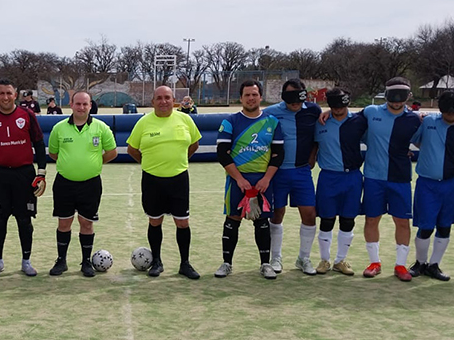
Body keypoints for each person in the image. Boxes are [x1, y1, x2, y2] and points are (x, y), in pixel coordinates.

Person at [127, 85, 201, 279]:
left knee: (182, 222)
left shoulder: (185, 119)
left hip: (179, 179)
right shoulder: (144, 122)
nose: (163, 101)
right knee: (155, 221)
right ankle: (157, 262)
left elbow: (194, 144)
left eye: (167, 97)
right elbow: (132, 149)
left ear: (173, 101)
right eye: (159, 98)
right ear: (153, 102)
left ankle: (185, 263)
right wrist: (149, 163)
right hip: (152, 180)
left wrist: (179, 161)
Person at [215, 80, 284, 279]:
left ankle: (265, 264)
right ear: (241, 98)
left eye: (254, 94)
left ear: (260, 97)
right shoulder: (231, 121)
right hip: (237, 180)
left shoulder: (272, 122)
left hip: (262, 181)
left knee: (262, 221)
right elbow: (222, 154)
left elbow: (278, 154)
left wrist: (267, 179)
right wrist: (238, 179)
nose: (251, 98)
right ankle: (227, 263)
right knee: (232, 219)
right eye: (247, 95)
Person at [408, 91, 454, 281]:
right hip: (427, 183)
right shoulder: (428, 121)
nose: (451, 116)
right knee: (426, 226)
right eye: (447, 112)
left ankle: (434, 265)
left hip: (453, 183)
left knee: (445, 225)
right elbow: (414, 139)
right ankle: (420, 263)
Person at [47, 91, 117, 276]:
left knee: (86, 223)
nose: (81, 107)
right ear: (71, 104)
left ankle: (86, 262)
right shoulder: (59, 128)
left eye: (85, 104)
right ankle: (61, 261)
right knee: (64, 223)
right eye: (78, 104)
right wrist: (69, 164)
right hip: (64, 184)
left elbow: (112, 152)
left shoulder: (101, 127)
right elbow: (53, 153)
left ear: (90, 105)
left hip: (90, 184)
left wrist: (94, 164)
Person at [358, 77, 421, 280]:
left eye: (401, 96)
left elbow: (423, 143)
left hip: (400, 177)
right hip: (373, 177)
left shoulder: (414, 119)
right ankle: (374, 262)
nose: (396, 101)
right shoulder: (371, 112)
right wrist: (325, 113)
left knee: (402, 221)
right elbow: (345, 119)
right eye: (393, 96)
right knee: (371, 219)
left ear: (408, 96)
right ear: (386, 95)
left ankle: (400, 266)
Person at [0, 79, 47, 276]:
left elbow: (39, 143)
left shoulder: (27, 115)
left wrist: (41, 172)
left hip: (24, 174)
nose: (5, 97)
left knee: (24, 220)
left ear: (15, 95)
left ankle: (26, 261)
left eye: (9, 93)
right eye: (1, 93)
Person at [263, 80, 322, 275]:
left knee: (309, 214)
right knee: (277, 213)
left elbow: (317, 136)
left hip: (301, 171)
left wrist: (312, 156)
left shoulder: (313, 111)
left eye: (299, 97)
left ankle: (303, 258)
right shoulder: (270, 112)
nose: (295, 102)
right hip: (277, 172)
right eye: (291, 98)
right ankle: (276, 257)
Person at [312, 88, 367, 275]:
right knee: (326, 219)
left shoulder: (359, 121)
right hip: (328, 177)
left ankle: (340, 260)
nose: (337, 109)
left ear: (347, 103)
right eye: (333, 106)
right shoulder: (320, 123)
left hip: (352, 177)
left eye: (341, 105)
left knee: (348, 219)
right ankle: (324, 260)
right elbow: (314, 145)